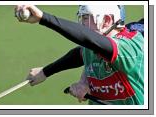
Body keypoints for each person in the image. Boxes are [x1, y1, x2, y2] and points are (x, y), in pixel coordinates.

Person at [15, 5, 144, 105]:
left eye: (86, 18)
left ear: (106, 20)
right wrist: (45, 72)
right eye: (81, 17)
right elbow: (79, 54)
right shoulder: (91, 48)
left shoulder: (127, 47)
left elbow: (88, 39)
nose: (81, 24)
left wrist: (43, 18)